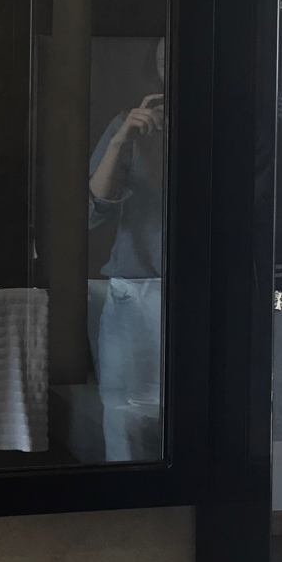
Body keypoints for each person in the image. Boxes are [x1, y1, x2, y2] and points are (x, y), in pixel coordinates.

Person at [87, 40, 165, 462]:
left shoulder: (232, 122)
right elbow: (91, 211)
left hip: (201, 289)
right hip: (136, 292)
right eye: (162, 60)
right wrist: (121, 139)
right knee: (123, 421)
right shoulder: (131, 127)